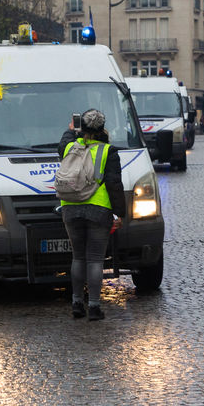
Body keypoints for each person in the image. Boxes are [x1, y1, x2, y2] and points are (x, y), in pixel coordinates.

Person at [57, 108, 127, 321]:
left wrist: (72, 128)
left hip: (70, 207)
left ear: (81, 127)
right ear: (102, 128)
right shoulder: (108, 151)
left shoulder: (69, 147)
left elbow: (64, 141)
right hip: (98, 209)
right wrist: (119, 214)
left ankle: (77, 303)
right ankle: (94, 307)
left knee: (78, 257)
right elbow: (114, 185)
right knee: (95, 260)